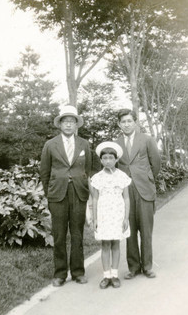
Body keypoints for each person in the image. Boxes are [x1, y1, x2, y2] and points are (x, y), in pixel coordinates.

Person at [40, 105, 91, 287]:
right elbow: (44, 172)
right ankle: (60, 274)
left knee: (77, 233)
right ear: (60, 124)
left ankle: (78, 272)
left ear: (76, 124)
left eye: (72, 121)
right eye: (65, 121)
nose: (69, 125)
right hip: (57, 194)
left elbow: (88, 169)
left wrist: (82, 185)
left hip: (78, 193)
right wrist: (50, 193)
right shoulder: (50, 144)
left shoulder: (84, 144)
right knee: (59, 234)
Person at [116, 109, 161, 279]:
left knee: (146, 230)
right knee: (130, 230)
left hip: (144, 190)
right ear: (119, 124)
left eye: (129, 121)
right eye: (123, 121)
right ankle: (133, 267)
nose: (126, 124)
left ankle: (147, 266)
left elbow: (156, 163)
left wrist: (146, 178)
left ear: (135, 122)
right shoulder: (116, 143)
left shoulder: (147, 139)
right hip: (125, 192)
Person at [90, 142, 131, 289]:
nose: (108, 161)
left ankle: (114, 275)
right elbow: (94, 198)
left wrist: (126, 217)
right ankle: (106, 276)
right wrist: (94, 218)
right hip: (103, 215)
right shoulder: (97, 177)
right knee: (105, 244)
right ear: (101, 160)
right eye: (105, 158)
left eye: (111, 158)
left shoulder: (122, 176)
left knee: (116, 244)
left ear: (116, 160)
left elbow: (126, 198)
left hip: (118, 214)